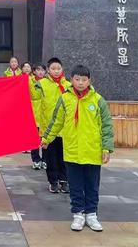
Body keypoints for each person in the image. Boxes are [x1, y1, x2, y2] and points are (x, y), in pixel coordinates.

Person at [42, 65, 114, 232]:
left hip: (92, 151)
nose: (80, 83)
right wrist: (47, 138)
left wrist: (106, 148)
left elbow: (107, 126)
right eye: (77, 79)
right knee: (75, 185)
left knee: (92, 185)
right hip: (72, 151)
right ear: (71, 79)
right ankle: (78, 214)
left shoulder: (98, 100)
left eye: (84, 80)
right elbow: (56, 121)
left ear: (89, 81)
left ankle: (91, 214)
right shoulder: (65, 98)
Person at [36, 57, 71, 193]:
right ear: (48, 70)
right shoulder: (42, 84)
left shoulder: (68, 85)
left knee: (64, 156)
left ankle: (64, 180)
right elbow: (32, 96)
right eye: (53, 69)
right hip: (48, 129)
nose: (56, 71)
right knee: (51, 157)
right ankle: (53, 181)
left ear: (62, 69)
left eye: (58, 68)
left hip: (65, 128)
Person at [30, 64, 47, 170]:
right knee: (34, 141)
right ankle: (36, 160)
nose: (40, 72)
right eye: (38, 70)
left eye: (42, 70)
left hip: (45, 117)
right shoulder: (29, 82)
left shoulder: (48, 83)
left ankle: (45, 160)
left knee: (45, 140)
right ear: (34, 71)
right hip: (33, 115)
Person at [21, 61, 37, 155]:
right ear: (22, 69)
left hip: (32, 105)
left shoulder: (34, 79)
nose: (27, 68)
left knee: (31, 126)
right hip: (22, 104)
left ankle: (30, 145)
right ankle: (24, 145)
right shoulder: (19, 78)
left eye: (28, 67)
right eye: (25, 67)